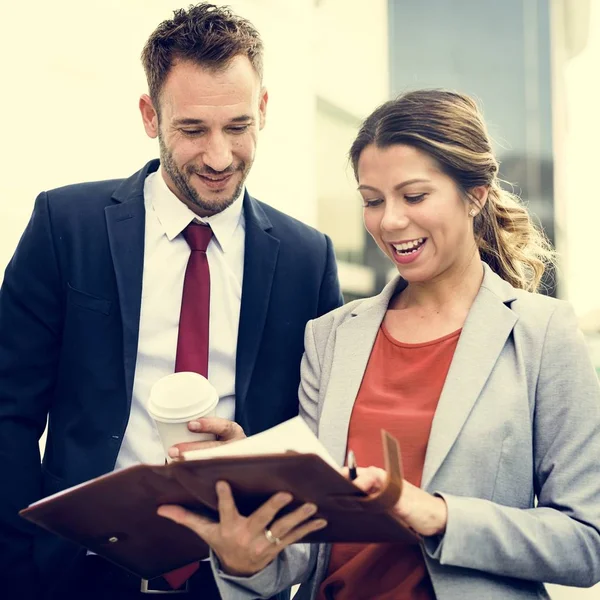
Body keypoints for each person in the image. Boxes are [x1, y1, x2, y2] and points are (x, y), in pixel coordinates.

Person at [157, 89, 600, 600]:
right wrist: (251, 523)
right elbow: (309, 545)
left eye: (413, 196)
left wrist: (437, 514)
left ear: (475, 192)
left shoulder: (542, 334)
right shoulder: (331, 337)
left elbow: (587, 541)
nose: (389, 221)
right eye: (372, 200)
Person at [0, 4, 342, 600]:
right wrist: (17, 575)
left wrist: (259, 460)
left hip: (237, 581)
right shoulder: (65, 225)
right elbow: (8, 413)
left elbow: (321, 437)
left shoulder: (307, 257)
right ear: (149, 115)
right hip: (73, 575)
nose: (217, 156)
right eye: (192, 130)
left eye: (238, 127)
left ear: (264, 109)